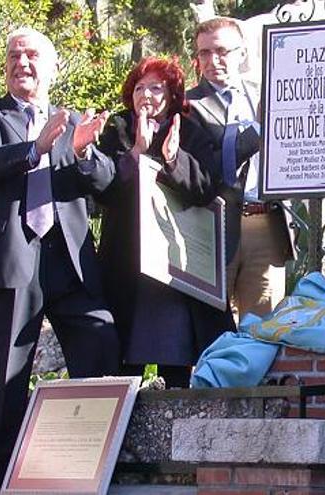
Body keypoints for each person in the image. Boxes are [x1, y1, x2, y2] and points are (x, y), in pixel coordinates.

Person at [0, 27, 119, 495]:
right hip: (10, 259)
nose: (22, 62)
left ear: (51, 67)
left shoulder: (71, 123)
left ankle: (96, 463)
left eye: (31, 56)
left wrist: (84, 150)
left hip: (67, 259)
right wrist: (37, 148)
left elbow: (106, 185)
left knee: (101, 343)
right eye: (14, 55)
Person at [95, 56, 233, 388]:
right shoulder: (117, 128)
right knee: (125, 357)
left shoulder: (190, 131)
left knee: (175, 354)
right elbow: (103, 188)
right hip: (127, 261)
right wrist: (137, 150)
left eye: (156, 88)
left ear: (171, 94)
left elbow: (205, 188)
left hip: (175, 267)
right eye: (140, 88)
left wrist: (173, 159)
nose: (147, 96)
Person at [186, 17, 294, 320]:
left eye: (221, 51)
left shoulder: (267, 94)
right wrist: (260, 129)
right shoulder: (187, 106)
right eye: (204, 53)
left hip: (267, 225)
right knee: (211, 332)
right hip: (213, 228)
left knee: (265, 329)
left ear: (242, 53)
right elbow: (213, 166)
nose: (211, 61)